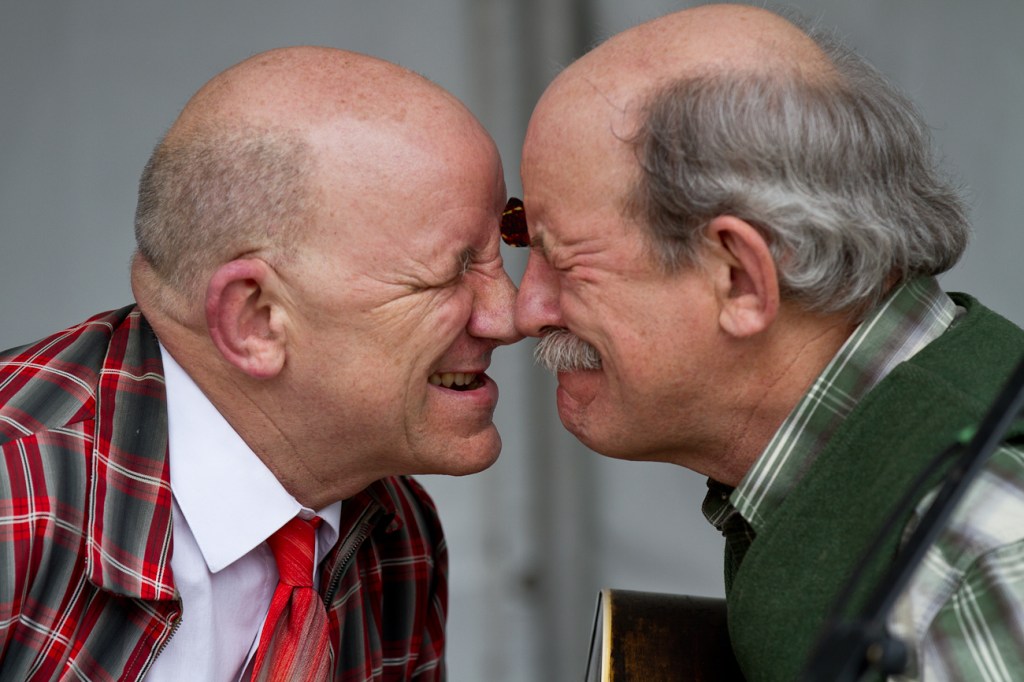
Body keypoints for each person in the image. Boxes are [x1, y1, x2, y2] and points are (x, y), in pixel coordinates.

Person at [506, 4, 1024, 681]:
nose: (525, 310)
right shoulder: (857, 488)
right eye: (523, 241)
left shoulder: (980, 549)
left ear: (740, 280)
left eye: (563, 258)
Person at [0, 46, 520, 681]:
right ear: (257, 322)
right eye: (454, 270)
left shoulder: (397, 529)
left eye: (504, 246)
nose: (511, 314)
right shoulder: (15, 493)